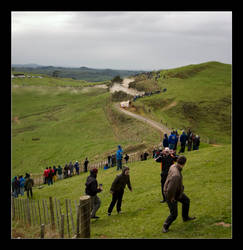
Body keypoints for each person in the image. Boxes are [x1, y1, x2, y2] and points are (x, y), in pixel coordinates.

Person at [162, 155, 196, 233]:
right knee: (174, 214)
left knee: (186, 201)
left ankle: (185, 217)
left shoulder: (173, 165)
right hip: (170, 194)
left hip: (176, 192)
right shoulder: (176, 175)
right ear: (184, 163)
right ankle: (165, 225)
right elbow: (170, 188)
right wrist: (171, 197)